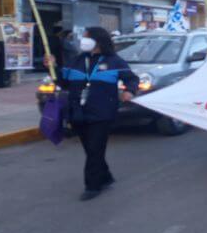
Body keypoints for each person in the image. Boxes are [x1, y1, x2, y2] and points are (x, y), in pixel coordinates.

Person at [45, 27, 139, 201]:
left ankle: (92, 186)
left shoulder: (114, 61)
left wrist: (130, 91)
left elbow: (132, 79)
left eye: (87, 37)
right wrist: (53, 67)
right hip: (78, 112)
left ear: (98, 40)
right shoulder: (76, 61)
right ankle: (105, 176)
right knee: (90, 149)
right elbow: (64, 83)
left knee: (95, 149)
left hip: (102, 112)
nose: (83, 41)